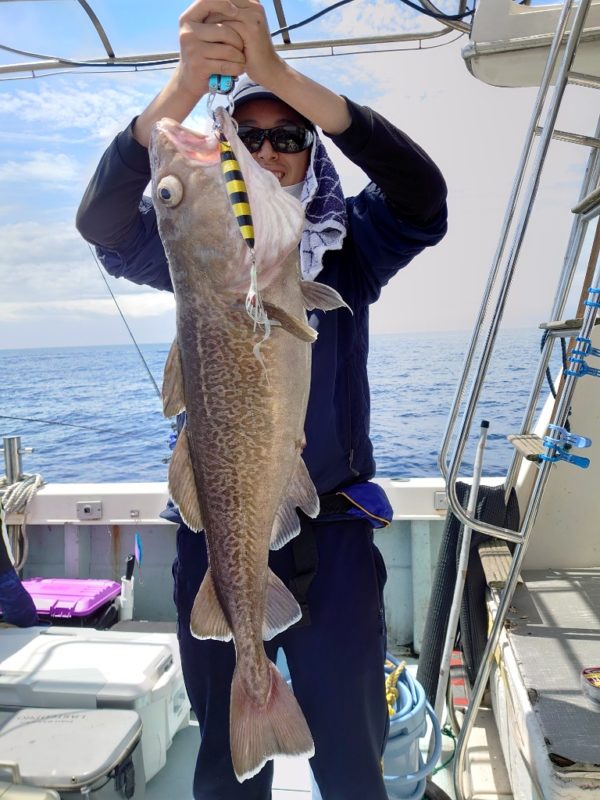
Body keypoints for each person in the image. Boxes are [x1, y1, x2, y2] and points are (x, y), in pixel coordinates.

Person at [76, 2, 448, 797]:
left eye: (291, 137)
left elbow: (423, 196)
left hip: (336, 537)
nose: (271, 150)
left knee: (353, 754)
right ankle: (248, 713)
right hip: (215, 538)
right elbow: (104, 220)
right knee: (224, 765)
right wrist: (184, 85)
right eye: (251, 136)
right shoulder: (190, 256)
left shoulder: (347, 251)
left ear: (312, 155)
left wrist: (276, 75)